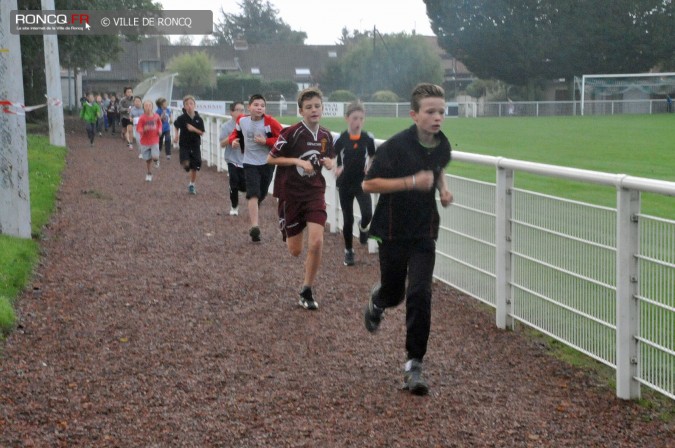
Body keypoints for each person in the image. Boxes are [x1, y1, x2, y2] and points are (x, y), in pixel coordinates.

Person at [361, 83, 453, 396]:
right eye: (430, 112)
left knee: (420, 293)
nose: (437, 117)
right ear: (414, 115)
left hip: (424, 231)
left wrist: (443, 189)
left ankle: (414, 364)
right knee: (394, 293)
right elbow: (369, 184)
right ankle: (378, 300)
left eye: (441, 112)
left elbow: (437, 169)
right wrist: (412, 182)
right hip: (392, 231)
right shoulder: (394, 147)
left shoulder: (442, 146)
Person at [267, 87, 335, 310]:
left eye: (317, 106)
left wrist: (330, 163)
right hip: (291, 195)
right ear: (301, 111)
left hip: (315, 192)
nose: (314, 110)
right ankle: (290, 225)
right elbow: (271, 159)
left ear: (322, 109)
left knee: (316, 241)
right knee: (295, 250)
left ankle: (307, 290)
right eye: (309, 107)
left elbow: (329, 157)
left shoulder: (326, 136)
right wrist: (297, 161)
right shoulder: (291, 133)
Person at [228, 94, 283, 242]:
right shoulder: (242, 120)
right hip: (249, 162)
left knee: (262, 193)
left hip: (267, 163)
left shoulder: (270, 122)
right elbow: (235, 134)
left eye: (262, 106)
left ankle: (255, 206)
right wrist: (233, 141)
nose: (259, 108)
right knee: (253, 193)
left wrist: (267, 141)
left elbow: (282, 139)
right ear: (249, 107)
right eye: (256, 105)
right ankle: (255, 227)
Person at [334, 101, 376, 266]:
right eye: (354, 118)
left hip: (361, 183)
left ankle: (363, 228)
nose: (358, 122)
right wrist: (337, 167)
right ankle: (349, 251)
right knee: (348, 218)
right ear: (347, 118)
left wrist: (369, 167)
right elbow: (331, 155)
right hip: (345, 184)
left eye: (361, 118)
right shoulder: (341, 138)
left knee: (367, 214)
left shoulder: (368, 138)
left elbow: (372, 156)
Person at [173, 95, 205, 195]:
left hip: (195, 145)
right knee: (186, 163)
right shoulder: (182, 118)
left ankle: (192, 184)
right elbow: (176, 125)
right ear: (184, 106)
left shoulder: (199, 119)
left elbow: (202, 132)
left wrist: (193, 129)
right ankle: (186, 165)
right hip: (184, 144)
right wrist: (176, 135)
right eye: (187, 104)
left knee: (195, 166)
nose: (189, 106)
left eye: (191, 104)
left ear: (194, 105)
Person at [219, 101, 247, 216]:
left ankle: (241, 189)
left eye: (242, 110)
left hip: (246, 160)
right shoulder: (226, 126)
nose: (241, 112)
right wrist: (231, 139)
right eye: (238, 110)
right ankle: (234, 207)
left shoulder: (248, 125)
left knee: (244, 187)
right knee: (234, 183)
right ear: (231, 112)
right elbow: (222, 143)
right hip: (232, 159)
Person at [136, 99, 162, 182]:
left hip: (154, 140)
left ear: (152, 107)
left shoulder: (156, 116)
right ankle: (149, 173)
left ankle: (156, 160)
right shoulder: (142, 118)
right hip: (145, 141)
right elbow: (138, 128)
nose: (148, 107)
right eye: (146, 106)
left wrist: (159, 130)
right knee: (147, 160)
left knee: (155, 156)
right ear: (143, 107)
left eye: (150, 105)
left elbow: (159, 124)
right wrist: (144, 129)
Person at [155, 97, 172, 162]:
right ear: (161, 104)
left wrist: (171, 119)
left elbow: (170, 114)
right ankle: (158, 151)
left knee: (168, 139)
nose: (166, 104)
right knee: (160, 140)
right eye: (165, 103)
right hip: (160, 128)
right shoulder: (158, 111)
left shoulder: (167, 109)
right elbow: (156, 119)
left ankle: (168, 154)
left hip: (167, 127)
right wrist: (162, 116)